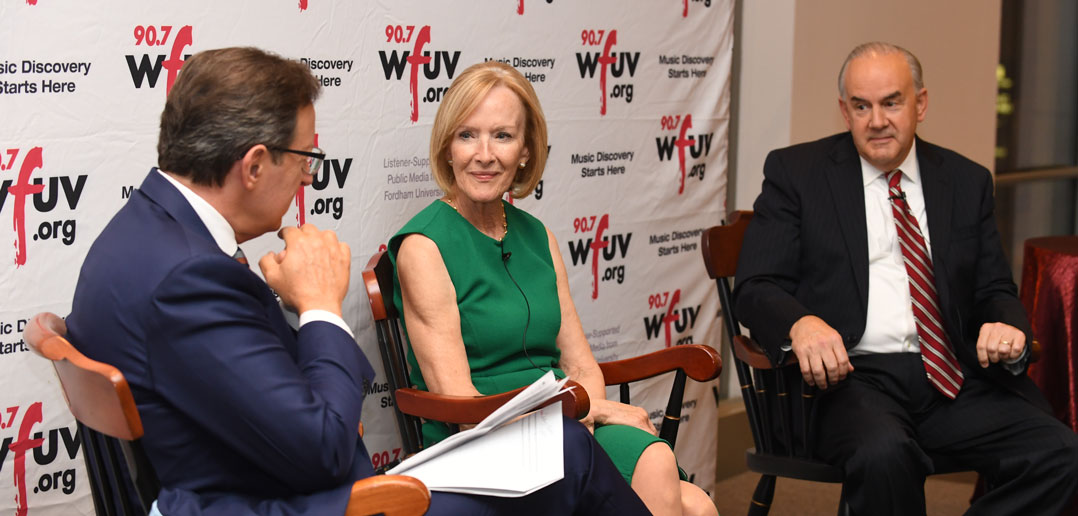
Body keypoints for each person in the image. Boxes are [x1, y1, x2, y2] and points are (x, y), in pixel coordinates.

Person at [65, 47, 650, 516]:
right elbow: (323, 448)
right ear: (255, 165)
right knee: (568, 452)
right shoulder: (188, 277)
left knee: (566, 449)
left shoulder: (142, 234)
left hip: (277, 485)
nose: (308, 179)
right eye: (305, 158)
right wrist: (320, 306)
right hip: (315, 502)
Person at [733, 41, 1078, 515]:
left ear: (921, 104)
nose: (877, 120)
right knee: (884, 455)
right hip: (850, 380)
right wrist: (801, 324)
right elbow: (755, 287)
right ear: (844, 111)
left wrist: (1007, 325)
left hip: (951, 377)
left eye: (892, 103)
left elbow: (993, 289)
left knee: (1060, 453)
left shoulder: (965, 180)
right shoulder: (797, 174)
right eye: (861, 106)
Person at [388, 61, 717, 516]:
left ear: (526, 150)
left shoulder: (538, 235)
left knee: (696, 503)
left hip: (566, 422)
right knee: (672, 483)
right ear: (447, 147)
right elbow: (463, 407)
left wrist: (584, 412)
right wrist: (596, 411)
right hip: (484, 439)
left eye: (502, 136)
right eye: (467, 135)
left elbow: (580, 363)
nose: (484, 154)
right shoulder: (424, 247)